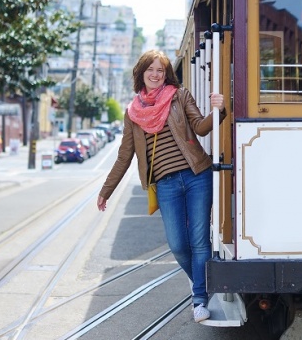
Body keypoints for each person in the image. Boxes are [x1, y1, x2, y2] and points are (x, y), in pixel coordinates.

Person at [97, 50, 226, 323]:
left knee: (199, 240)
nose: (156, 75)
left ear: (166, 74)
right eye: (150, 70)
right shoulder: (133, 114)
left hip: (196, 175)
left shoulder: (180, 96)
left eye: (160, 70)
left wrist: (219, 110)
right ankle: (202, 282)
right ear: (141, 74)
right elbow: (124, 155)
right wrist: (105, 190)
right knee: (178, 245)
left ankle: (200, 299)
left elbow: (201, 128)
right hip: (165, 184)